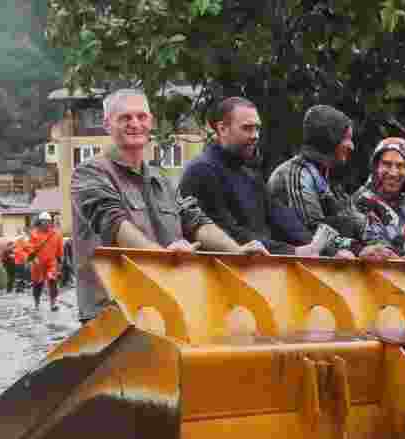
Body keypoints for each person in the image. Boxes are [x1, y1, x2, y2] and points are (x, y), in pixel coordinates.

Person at [71, 88, 265, 325]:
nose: (135, 124)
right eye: (125, 118)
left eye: (141, 117)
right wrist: (161, 257)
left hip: (163, 309)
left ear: (151, 122)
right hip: (111, 314)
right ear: (107, 124)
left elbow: (195, 220)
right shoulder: (89, 173)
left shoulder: (161, 179)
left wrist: (236, 251)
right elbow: (113, 223)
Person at [179, 97, 337, 257]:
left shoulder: (249, 173)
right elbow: (225, 231)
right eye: (247, 128)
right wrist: (292, 251)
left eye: (257, 129)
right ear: (222, 129)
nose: (255, 135)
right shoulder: (201, 171)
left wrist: (328, 251)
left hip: (258, 268)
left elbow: (284, 219)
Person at [267, 105, 366, 258]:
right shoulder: (297, 173)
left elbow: (358, 223)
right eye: (346, 138)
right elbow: (312, 233)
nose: (351, 146)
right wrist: (359, 248)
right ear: (330, 139)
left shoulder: (328, 178)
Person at [26, 212, 64, 311]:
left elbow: (60, 250)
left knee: (52, 281)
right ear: (40, 222)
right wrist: (33, 258)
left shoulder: (56, 234)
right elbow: (29, 247)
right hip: (38, 263)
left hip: (51, 262)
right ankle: (37, 303)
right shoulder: (34, 234)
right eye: (44, 221)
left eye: (48, 221)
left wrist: (60, 262)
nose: (46, 223)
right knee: (37, 284)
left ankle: (53, 303)